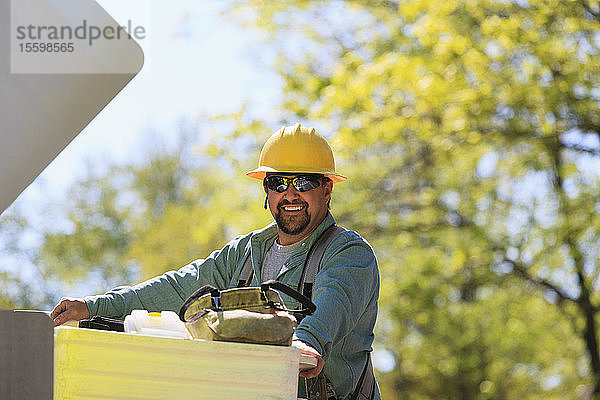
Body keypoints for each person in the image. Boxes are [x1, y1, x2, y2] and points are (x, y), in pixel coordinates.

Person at [51, 123, 381, 400]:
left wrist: (306, 342)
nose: (290, 194)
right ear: (266, 191)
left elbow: (333, 303)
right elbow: (178, 288)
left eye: (304, 182)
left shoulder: (348, 253)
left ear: (326, 189)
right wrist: (94, 307)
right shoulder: (245, 254)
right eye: (278, 182)